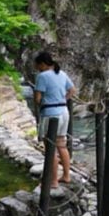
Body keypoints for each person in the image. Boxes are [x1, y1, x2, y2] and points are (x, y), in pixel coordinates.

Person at [33, 51, 75, 187]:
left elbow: (37, 98)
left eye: (37, 65)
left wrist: (43, 103)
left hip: (50, 114)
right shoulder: (62, 73)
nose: (37, 68)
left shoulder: (42, 76)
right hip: (64, 111)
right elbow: (72, 90)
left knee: (50, 147)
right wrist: (63, 99)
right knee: (61, 144)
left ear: (43, 64)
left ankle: (53, 180)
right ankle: (67, 176)